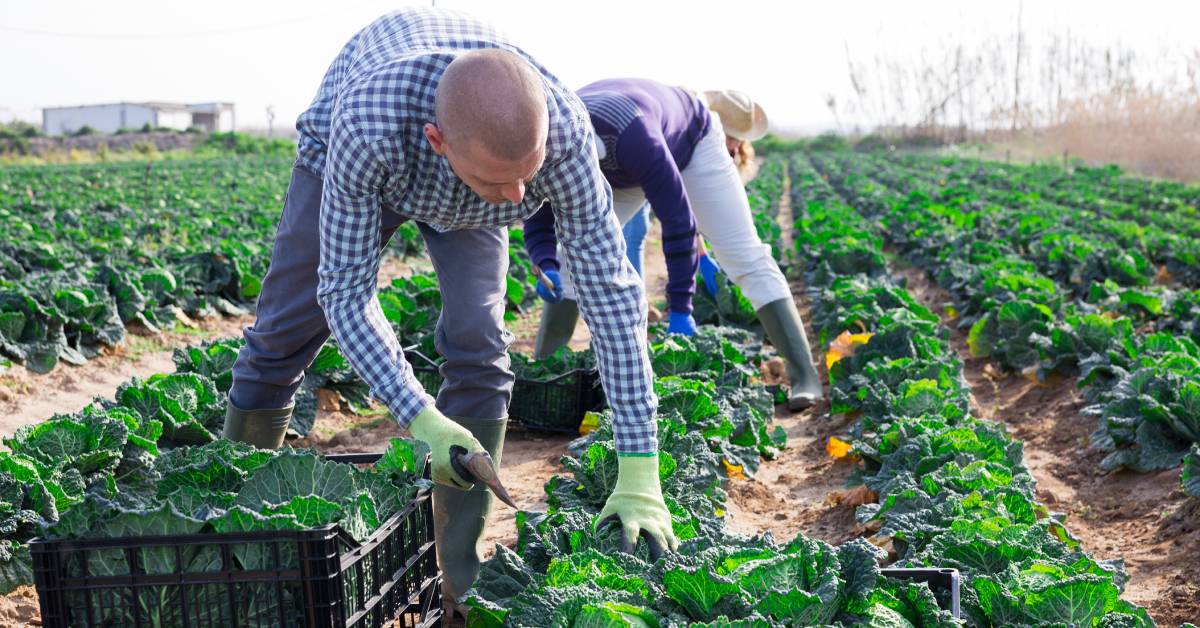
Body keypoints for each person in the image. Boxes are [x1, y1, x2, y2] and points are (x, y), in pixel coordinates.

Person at [219, 9, 677, 615]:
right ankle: (234, 536)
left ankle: (459, 572)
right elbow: (346, 294)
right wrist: (421, 418)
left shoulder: (561, 135)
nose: (520, 198)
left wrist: (641, 462)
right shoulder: (368, 128)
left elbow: (612, 295)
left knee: (480, 349)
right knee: (280, 339)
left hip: (477, 167)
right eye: (500, 180)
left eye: (528, 175)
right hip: (359, 156)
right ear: (440, 141)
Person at [524, 80, 823, 410]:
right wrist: (544, 258)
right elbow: (543, 202)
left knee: (742, 255)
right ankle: (544, 378)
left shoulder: (638, 138)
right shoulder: (551, 136)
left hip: (689, 144)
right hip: (619, 162)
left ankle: (804, 375)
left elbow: (679, 220)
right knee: (569, 259)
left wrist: (681, 308)